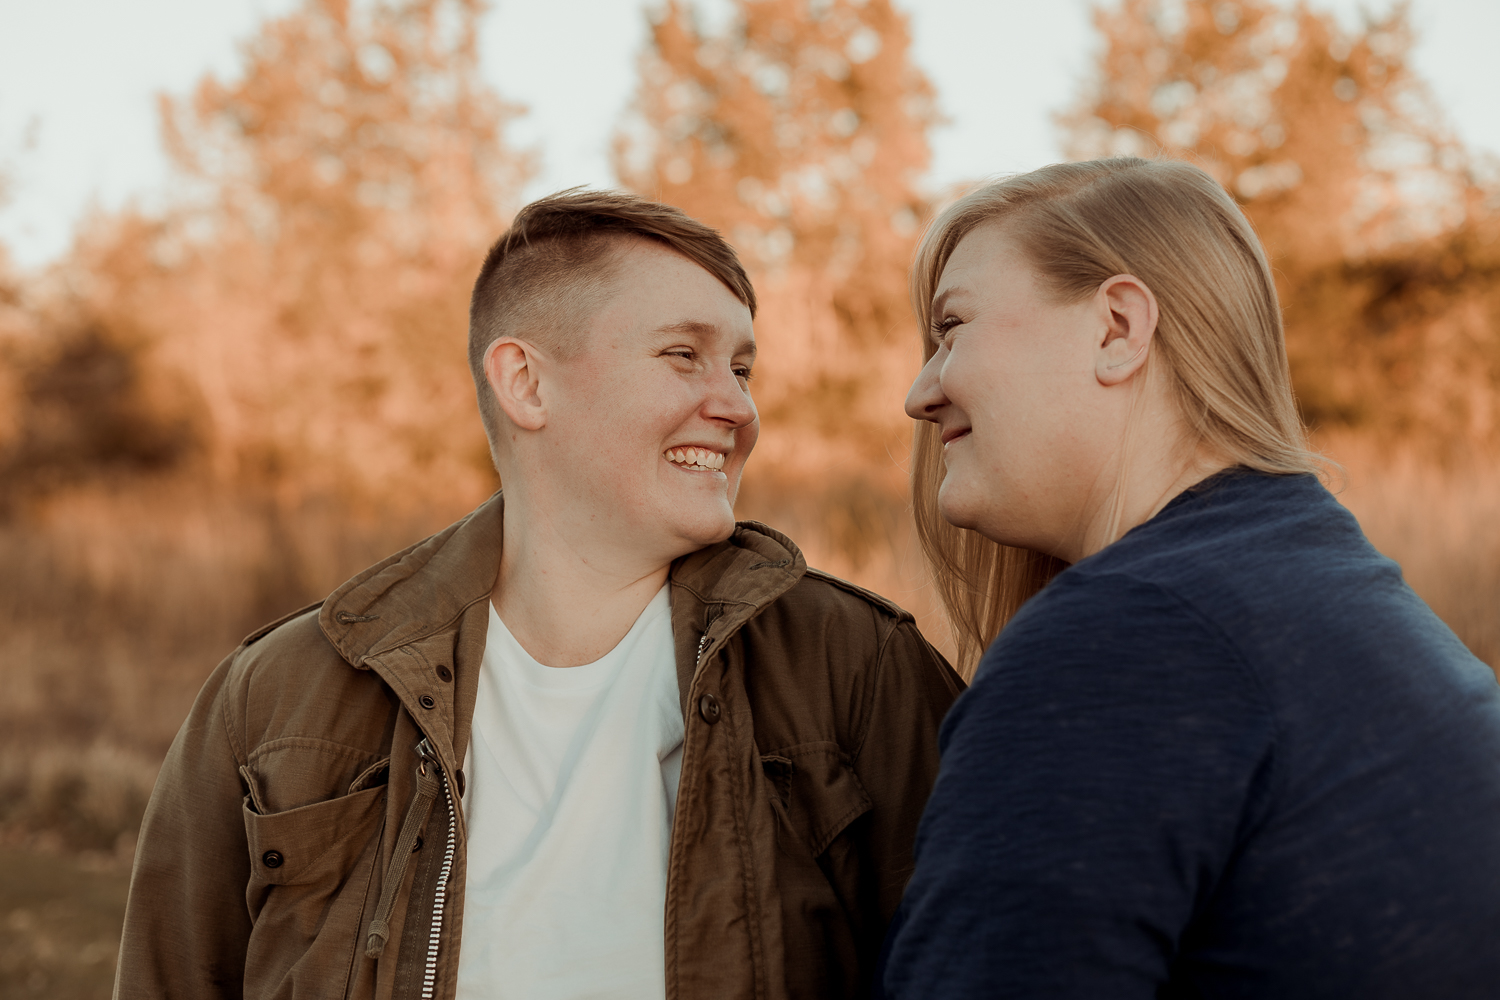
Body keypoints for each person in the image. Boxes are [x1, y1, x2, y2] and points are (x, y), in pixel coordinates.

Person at [114, 189, 961, 1000]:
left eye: (741, 368)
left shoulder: (856, 669)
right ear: (525, 382)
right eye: (684, 355)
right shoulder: (278, 697)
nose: (738, 407)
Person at [878, 158, 1500, 999]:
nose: (920, 395)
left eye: (952, 329)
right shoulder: (1332, 595)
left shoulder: (1123, 648)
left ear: (1117, 329)